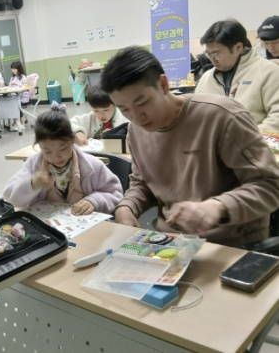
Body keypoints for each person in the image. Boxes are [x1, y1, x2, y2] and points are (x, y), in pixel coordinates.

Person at [100, 46, 279, 247]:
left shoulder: (222, 116)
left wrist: (218, 206)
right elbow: (142, 183)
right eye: (124, 109)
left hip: (232, 243)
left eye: (142, 102)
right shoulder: (135, 130)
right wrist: (127, 206)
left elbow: (270, 186)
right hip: (173, 243)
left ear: (163, 84)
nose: (136, 117)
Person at [3, 104, 122, 213]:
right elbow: (10, 198)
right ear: (39, 146)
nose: (56, 157)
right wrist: (32, 184)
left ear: (72, 141)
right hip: (46, 226)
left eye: (62, 149)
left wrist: (94, 201)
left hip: (82, 225)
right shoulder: (34, 165)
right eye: (47, 151)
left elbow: (115, 193)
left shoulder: (92, 166)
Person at [195, 19, 279, 132]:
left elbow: (276, 117)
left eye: (216, 53)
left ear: (238, 47)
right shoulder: (206, 79)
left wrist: (246, 138)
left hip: (255, 141)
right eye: (208, 54)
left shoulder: (268, 72)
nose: (212, 59)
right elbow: (196, 117)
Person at [8, 61, 30, 132]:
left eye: (15, 69)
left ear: (19, 69)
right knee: (11, 104)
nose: (13, 70)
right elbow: (9, 87)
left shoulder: (23, 77)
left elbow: (26, 87)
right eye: (12, 69)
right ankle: (15, 123)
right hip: (14, 98)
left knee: (17, 105)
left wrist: (18, 85)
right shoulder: (12, 78)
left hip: (23, 98)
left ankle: (21, 122)